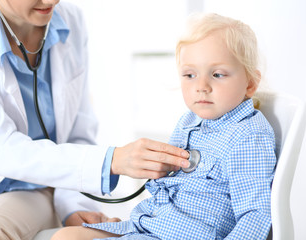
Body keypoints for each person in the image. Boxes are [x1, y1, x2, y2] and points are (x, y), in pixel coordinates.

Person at [0, 0, 191, 239]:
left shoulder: (69, 20)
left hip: (36, 185)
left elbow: (78, 131)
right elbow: (2, 151)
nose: (52, 1)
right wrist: (112, 161)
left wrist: (73, 205)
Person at [50, 12, 277, 240]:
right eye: (190, 75)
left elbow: (256, 215)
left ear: (250, 83)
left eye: (217, 74)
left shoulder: (248, 135)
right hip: (153, 223)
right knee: (66, 236)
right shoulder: (190, 121)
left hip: (180, 235)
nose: (201, 86)